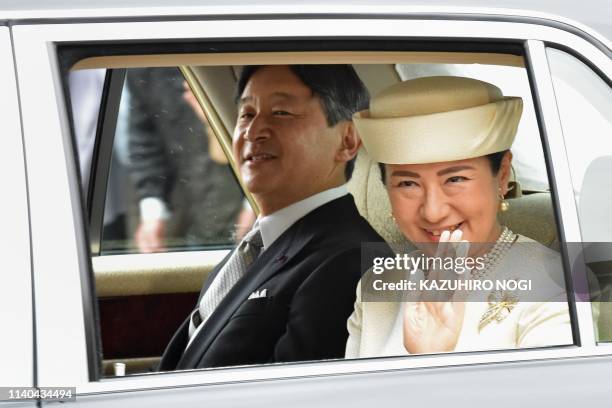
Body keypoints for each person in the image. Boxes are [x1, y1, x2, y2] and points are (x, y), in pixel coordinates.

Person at [158, 64, 389, 370]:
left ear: (347, 140)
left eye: (281, 112)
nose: (253, 131)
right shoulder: (254, 250)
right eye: (246, 114)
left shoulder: (351, 261)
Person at [346, 76, 573, 358]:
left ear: (501, 176)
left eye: (455, 179)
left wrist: (431, 357)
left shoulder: (557, 285)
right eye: (408, 184)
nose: (433, 211)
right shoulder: (377, 285)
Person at [127, 68, 244, 252]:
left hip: (236, 194)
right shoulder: (144, 61)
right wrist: (152, 209)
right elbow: (145, 136)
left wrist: (253, 206)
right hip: (185, 207)